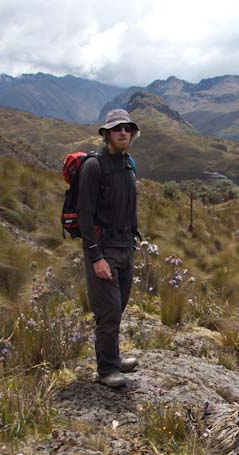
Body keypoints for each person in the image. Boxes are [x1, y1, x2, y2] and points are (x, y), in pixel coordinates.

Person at [78, 109, 141, 388]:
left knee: (120, 306)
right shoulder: (94, 166)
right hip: (103, 250)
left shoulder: (129, 164)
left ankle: (114, 359)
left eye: (127, 128)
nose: (123, 133)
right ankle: (106, 370)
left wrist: (133, 242)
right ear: (107, 134)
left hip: (125, 247)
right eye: (117, 129)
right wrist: (95, 257)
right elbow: (84, 215)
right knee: (108, 310)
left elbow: (130, 206)